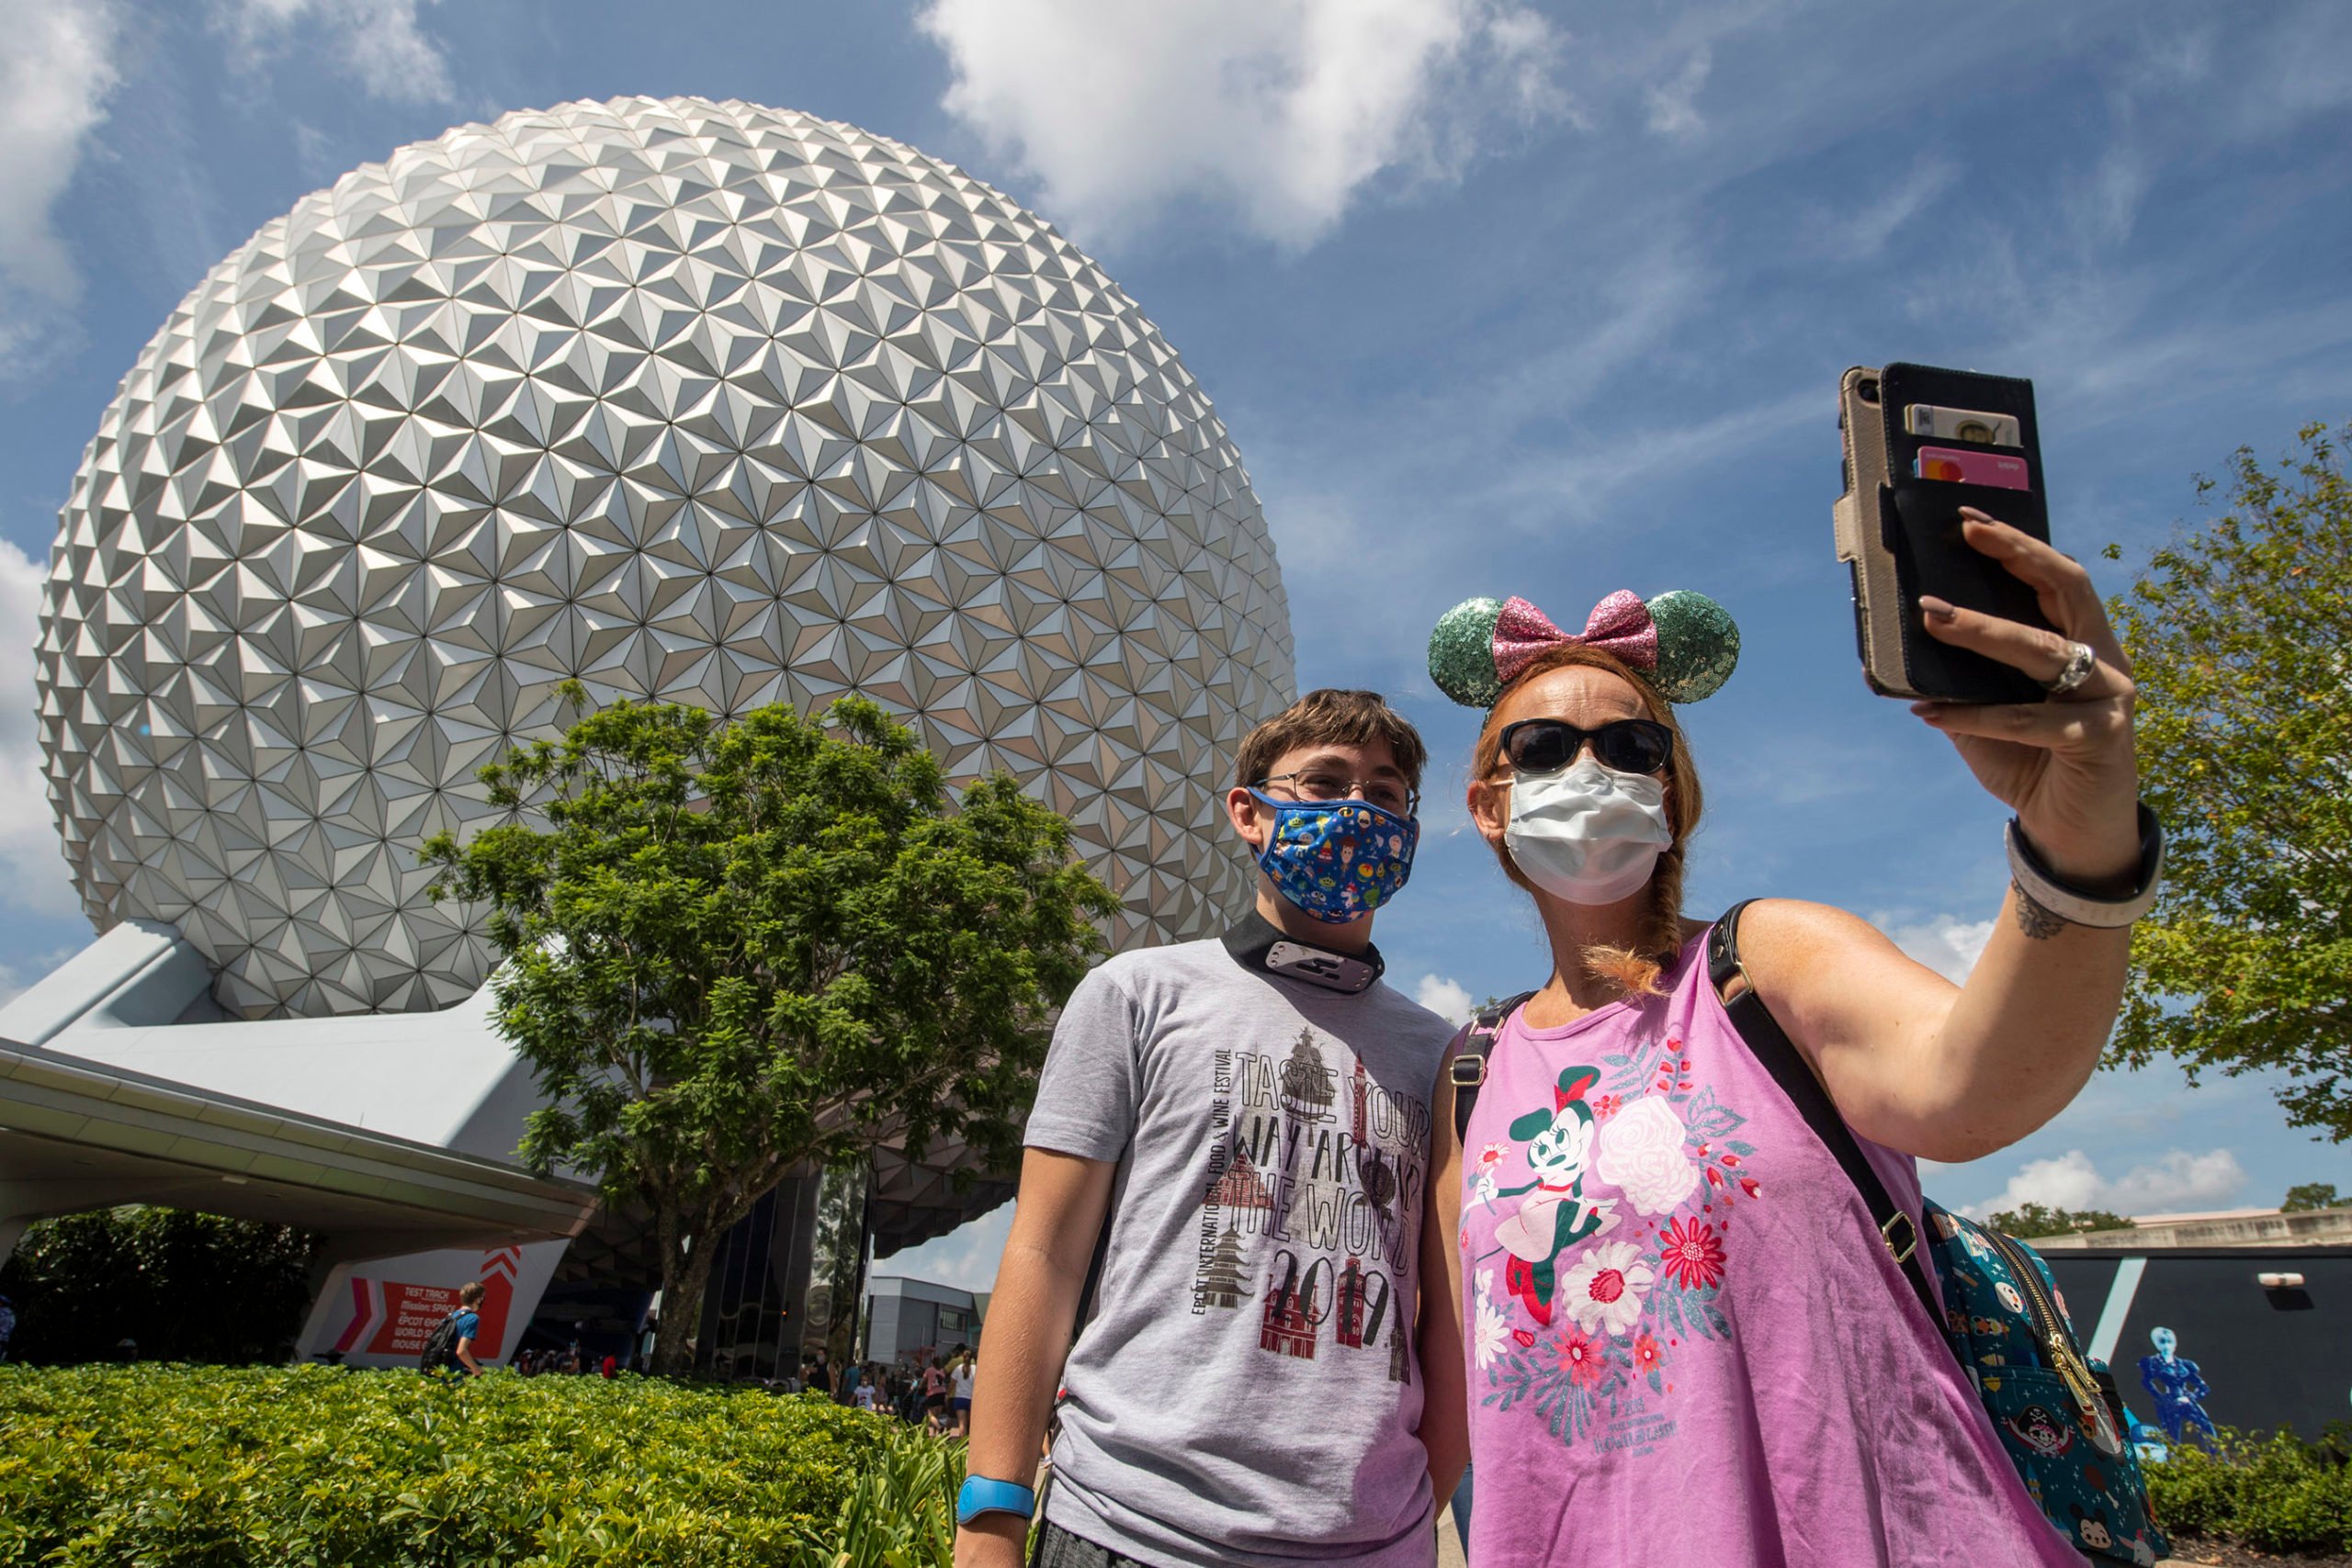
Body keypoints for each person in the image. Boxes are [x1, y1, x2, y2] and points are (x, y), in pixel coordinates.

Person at [1416, 525, 2159, 1567]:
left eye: (1630, 747)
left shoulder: (1764, 962)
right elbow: (1452, 1394)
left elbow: (1977, 1086)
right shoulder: (1470, 1071)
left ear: (1668, 795)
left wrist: (2079, 837)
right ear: (1487, 806)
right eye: (1540, 747)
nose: (1588, 766)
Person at [955, 689, 1456, 1568]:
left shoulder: (1442, 1054)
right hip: (1128, 1526)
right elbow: (1044, 1251)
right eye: (1325, 781)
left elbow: (1446, 1318)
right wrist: (991, 1514)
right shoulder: (1136, 994)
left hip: (1371, 1544)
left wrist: (1418, 1506)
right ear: (1249, 812)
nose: (1357, 811)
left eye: (1385, 794)